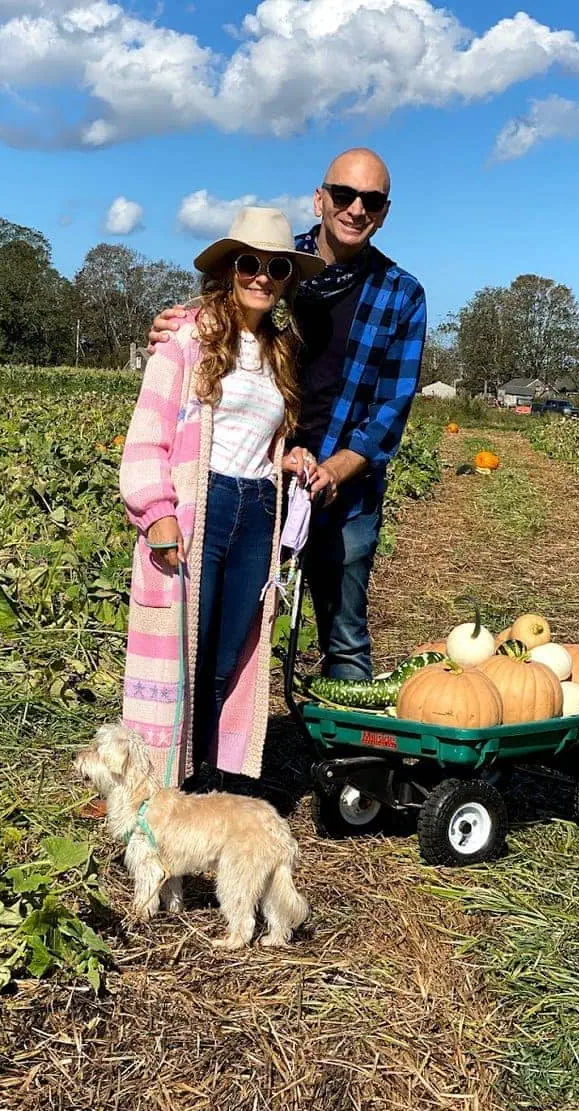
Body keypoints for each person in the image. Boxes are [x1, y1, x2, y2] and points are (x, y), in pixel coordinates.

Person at [150, 148, 426, 682]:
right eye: (343, 195)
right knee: (227, 618)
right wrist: (174, 325)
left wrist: (335, 470)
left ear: (384, 211)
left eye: (371, 200)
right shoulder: (274, 262)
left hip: (346, 486)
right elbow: (217, 309)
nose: (355, 209)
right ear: (320, 199)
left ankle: (350, 757)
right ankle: (210, 746)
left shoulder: (401, 293)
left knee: (344, 632)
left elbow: (392, 406)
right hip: (255, 473)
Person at [119, 207, 324, 785]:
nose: (262, 276)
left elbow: (253, 437)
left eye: (276, 266)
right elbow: (147, 436)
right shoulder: (187, 337)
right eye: (249, 263)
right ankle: (161, 785)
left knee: (229, 656)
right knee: (187, 653)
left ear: (287, 279)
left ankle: (203, 782)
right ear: (229, 269)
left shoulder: (281, 352)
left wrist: (287, 457)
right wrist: (157, 514)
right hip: (197, 507)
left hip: (257, 509)